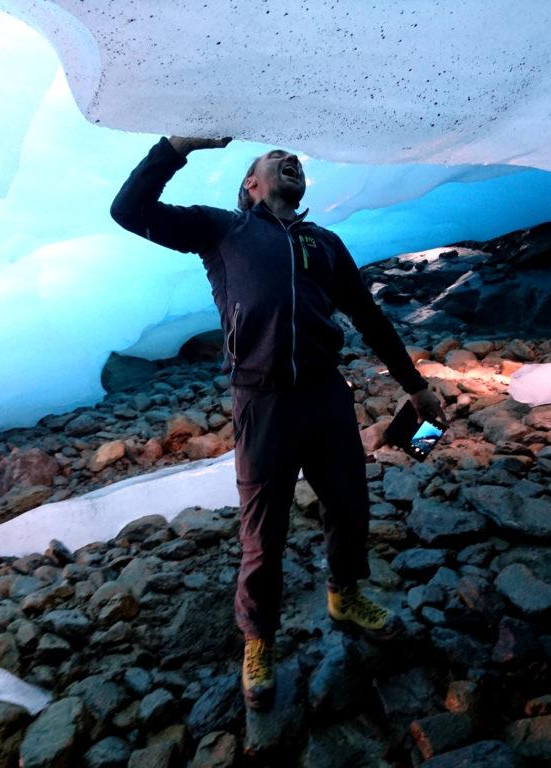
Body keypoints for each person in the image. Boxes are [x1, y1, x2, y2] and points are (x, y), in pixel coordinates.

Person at [111, 136, 446, 710]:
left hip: (325, 395)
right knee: (263, 532)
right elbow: (129, 211)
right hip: (260, 401)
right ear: (251, 184)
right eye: (274, 160)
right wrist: (175, 147)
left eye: (294, 161)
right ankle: (259, 639)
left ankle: (345, 594)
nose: (288, 160)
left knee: (349, 506)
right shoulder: (222, 231)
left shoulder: (325, 244)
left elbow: (367, 317)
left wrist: (414, 385)